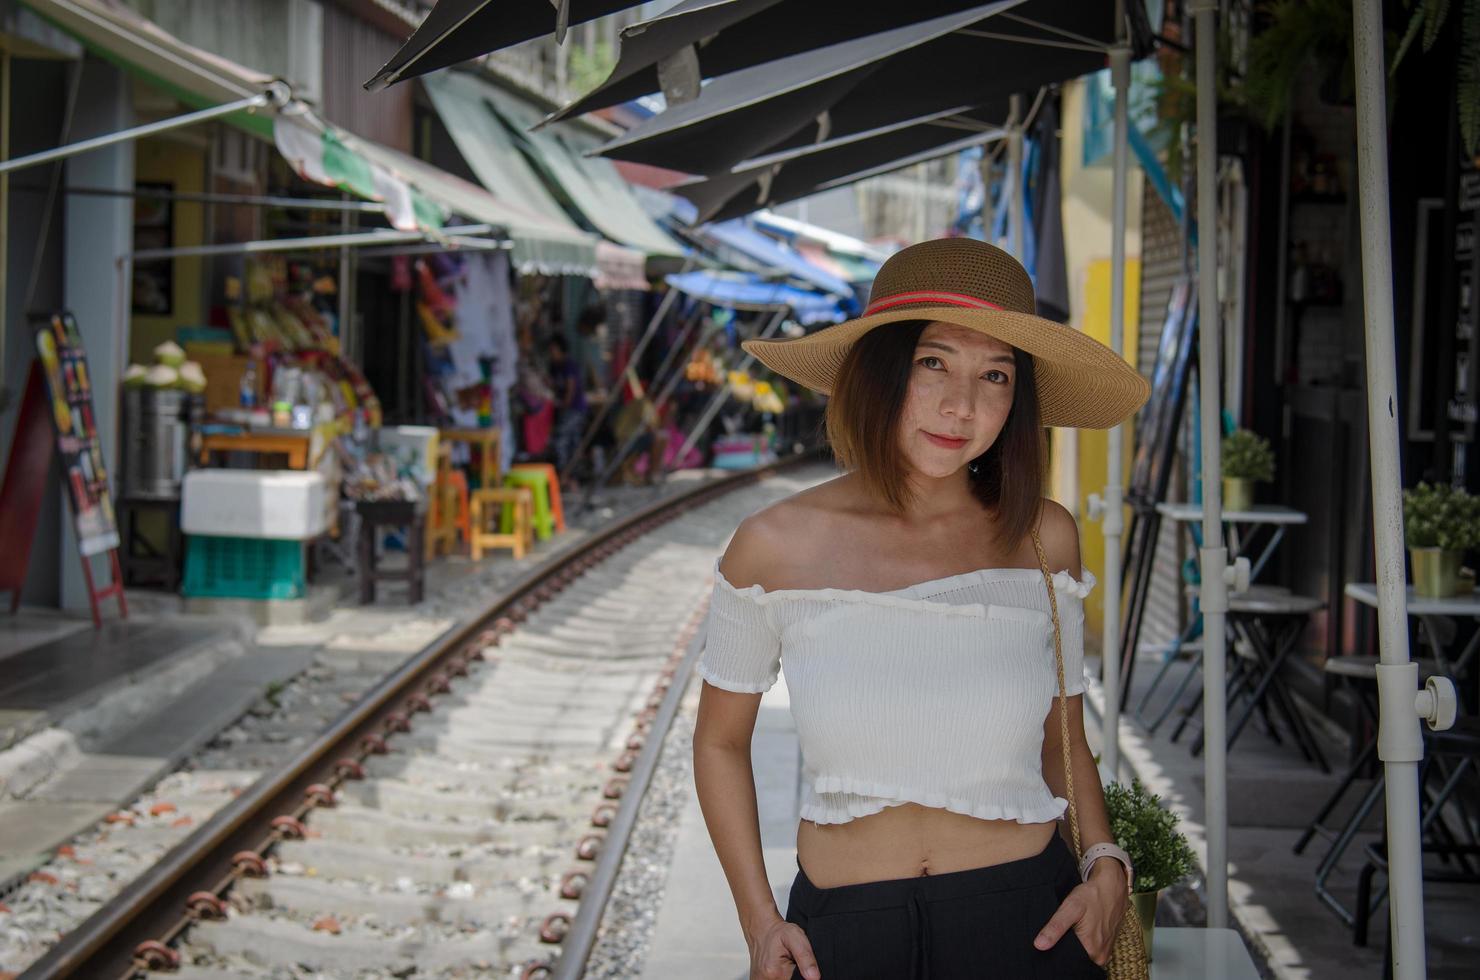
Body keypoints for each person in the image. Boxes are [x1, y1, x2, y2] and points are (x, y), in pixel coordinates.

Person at [693, 238, 1150, 980]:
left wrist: (1105, 865)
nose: (960, 405)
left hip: (1027, 925)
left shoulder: (1044, 536)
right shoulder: (772, 546)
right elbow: (718, 743)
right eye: (932, 362)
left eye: (995, 375)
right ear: (879, 371)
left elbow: (1062, 732)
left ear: (1019, 399)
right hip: (841, 937)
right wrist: (758, 921)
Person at [547, 334, 587, 471]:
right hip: (564, 408)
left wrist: (564, 406)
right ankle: (573, 474)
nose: (551, 353)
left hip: (575, 408)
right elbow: (552, 385)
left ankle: (566, 473)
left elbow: (571, 389)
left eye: (553, 349)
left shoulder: (569, 366)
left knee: (562, 438)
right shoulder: (554, 366)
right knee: (572, 441)